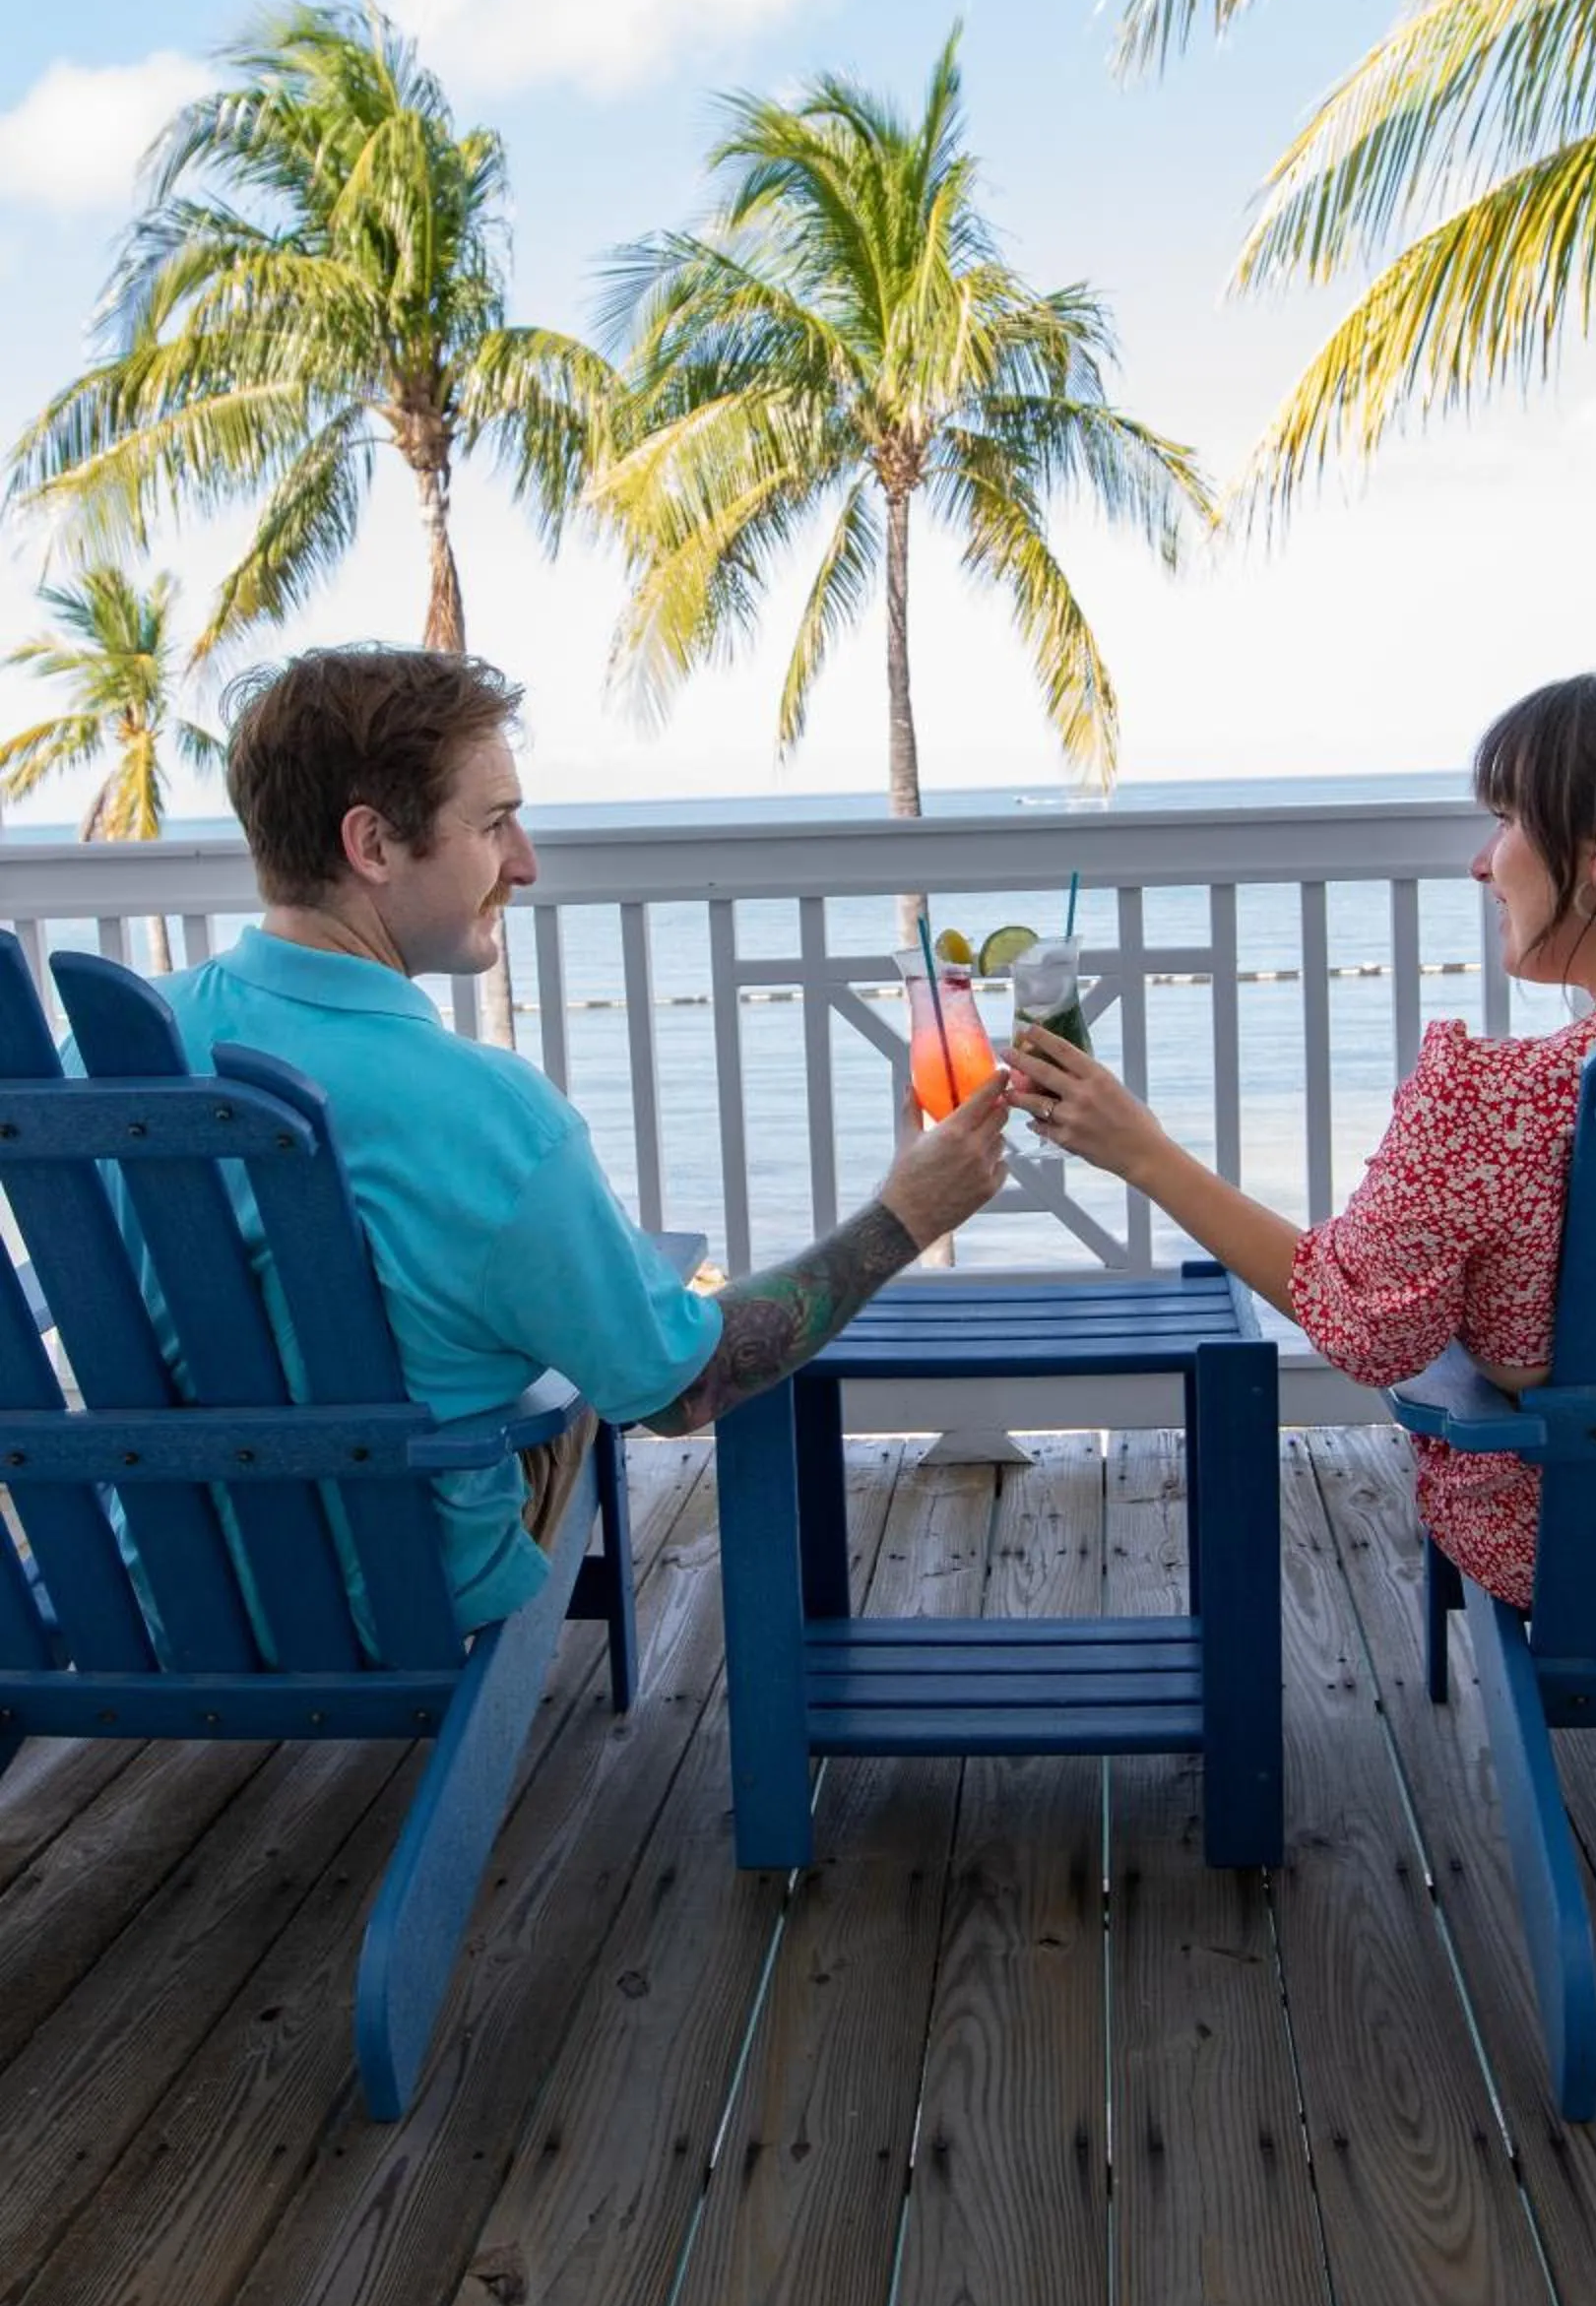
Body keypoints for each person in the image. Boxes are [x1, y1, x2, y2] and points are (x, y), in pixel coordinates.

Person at [143, 645, 1009, 1634]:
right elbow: (677, 1392)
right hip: (385, 1592)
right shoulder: (484, 1113)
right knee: (602, 1356)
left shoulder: (114, 1047)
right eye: (493, 822)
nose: (523, 863)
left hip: (152, 1585)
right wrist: (904, 1217)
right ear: (372, 844)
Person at [1008, 658, 1596, 1618]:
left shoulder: (1498, 1100)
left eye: (1505, 820)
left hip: (1592, 1542)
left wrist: (1141, 1152)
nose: (1480, 861)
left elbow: (1361, 1325)